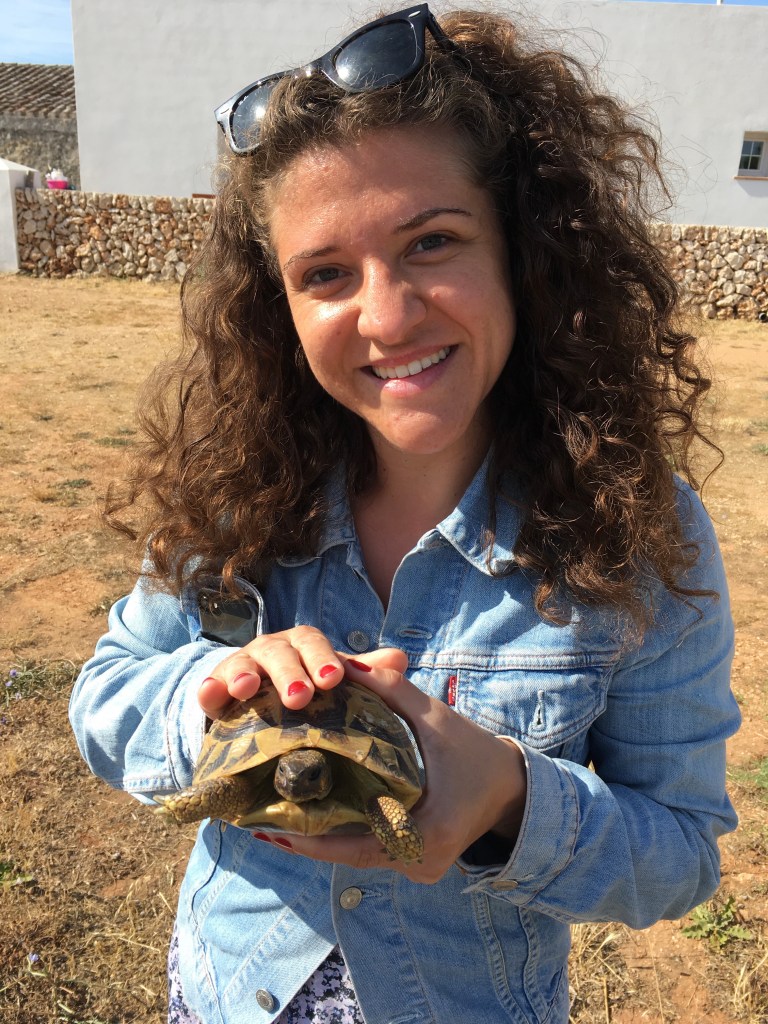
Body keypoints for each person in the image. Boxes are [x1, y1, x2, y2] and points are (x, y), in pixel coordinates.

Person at [69, 5, 741, 1023]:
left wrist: (509, 797)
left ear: (524, 250)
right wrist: (212, 693)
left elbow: (682, 851)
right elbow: (105, 696)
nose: (385, 316)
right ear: (277, 306)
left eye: (432, 241)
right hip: (230, 994)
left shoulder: (640, 533)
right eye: (324, 274)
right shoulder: (235, 489)